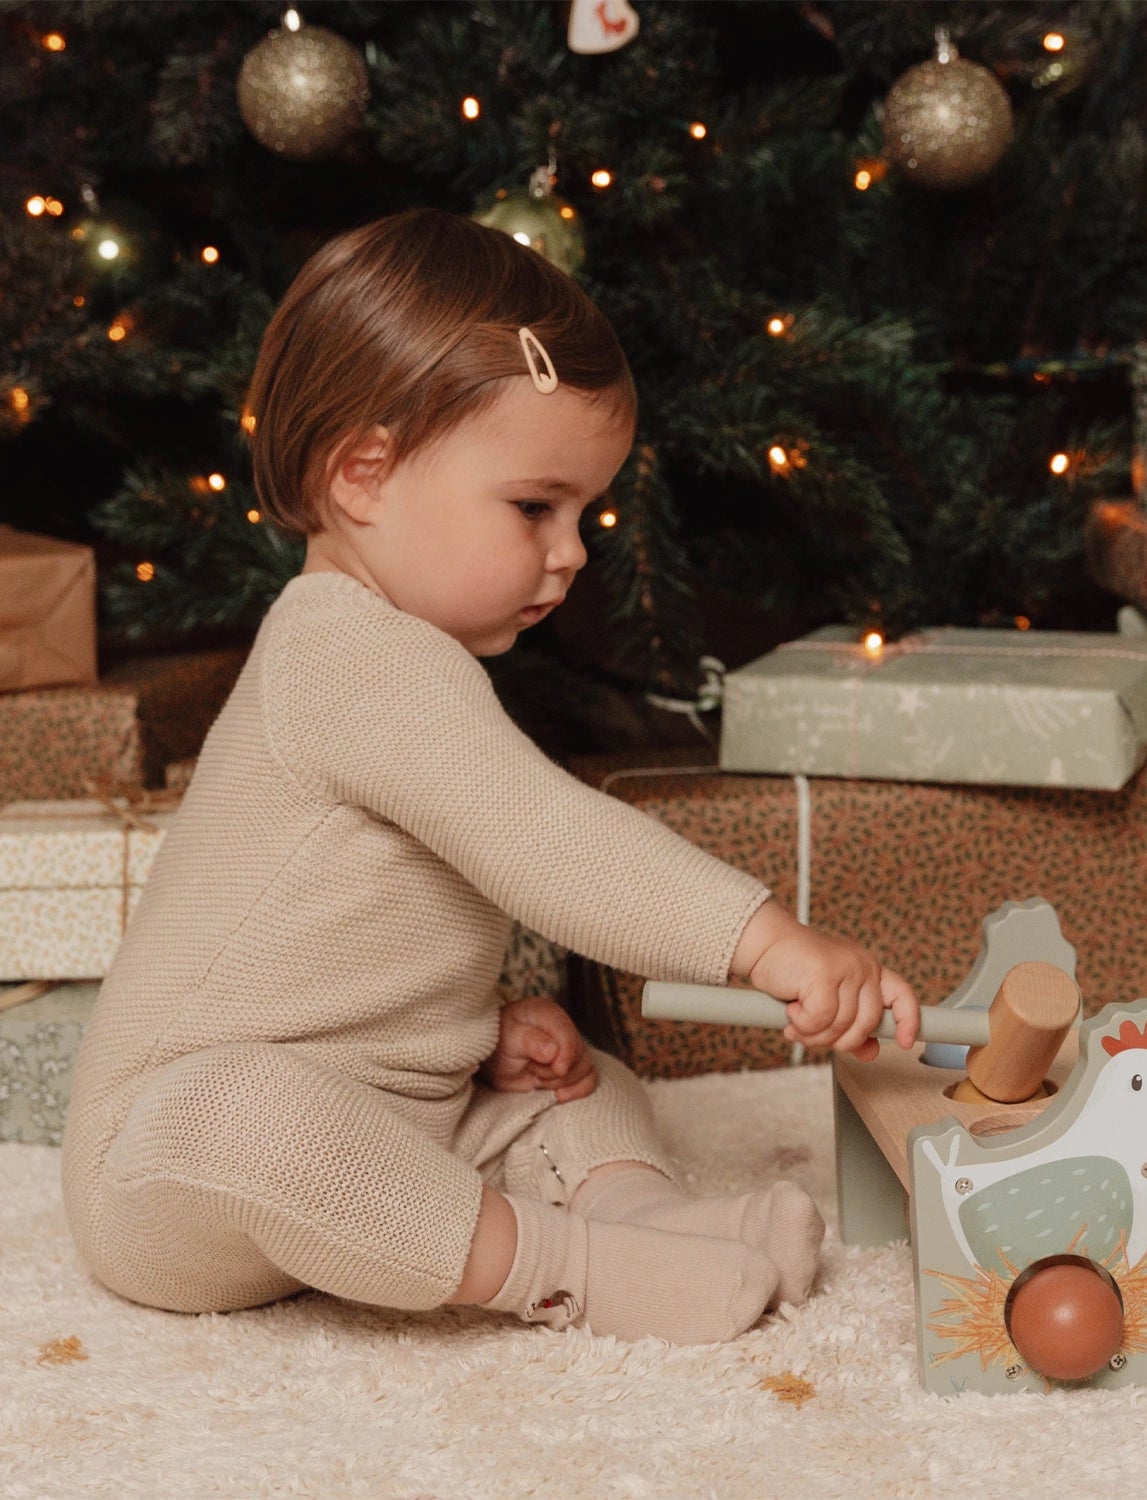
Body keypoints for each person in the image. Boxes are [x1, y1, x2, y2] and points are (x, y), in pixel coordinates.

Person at [60, 208, 920, 1346]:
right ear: (364, 475)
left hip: (384, 1121)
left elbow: (384, 941)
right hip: (167, 1173)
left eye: (585, 513)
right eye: (534, 507)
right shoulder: (342, 650)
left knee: (573, 1073)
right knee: (256, 1119)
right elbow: (547, 844)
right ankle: (579, 1267)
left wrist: (470, 1034)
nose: (571, 552)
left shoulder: (416, 657)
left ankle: (642, 1213)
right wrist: (765, 941)